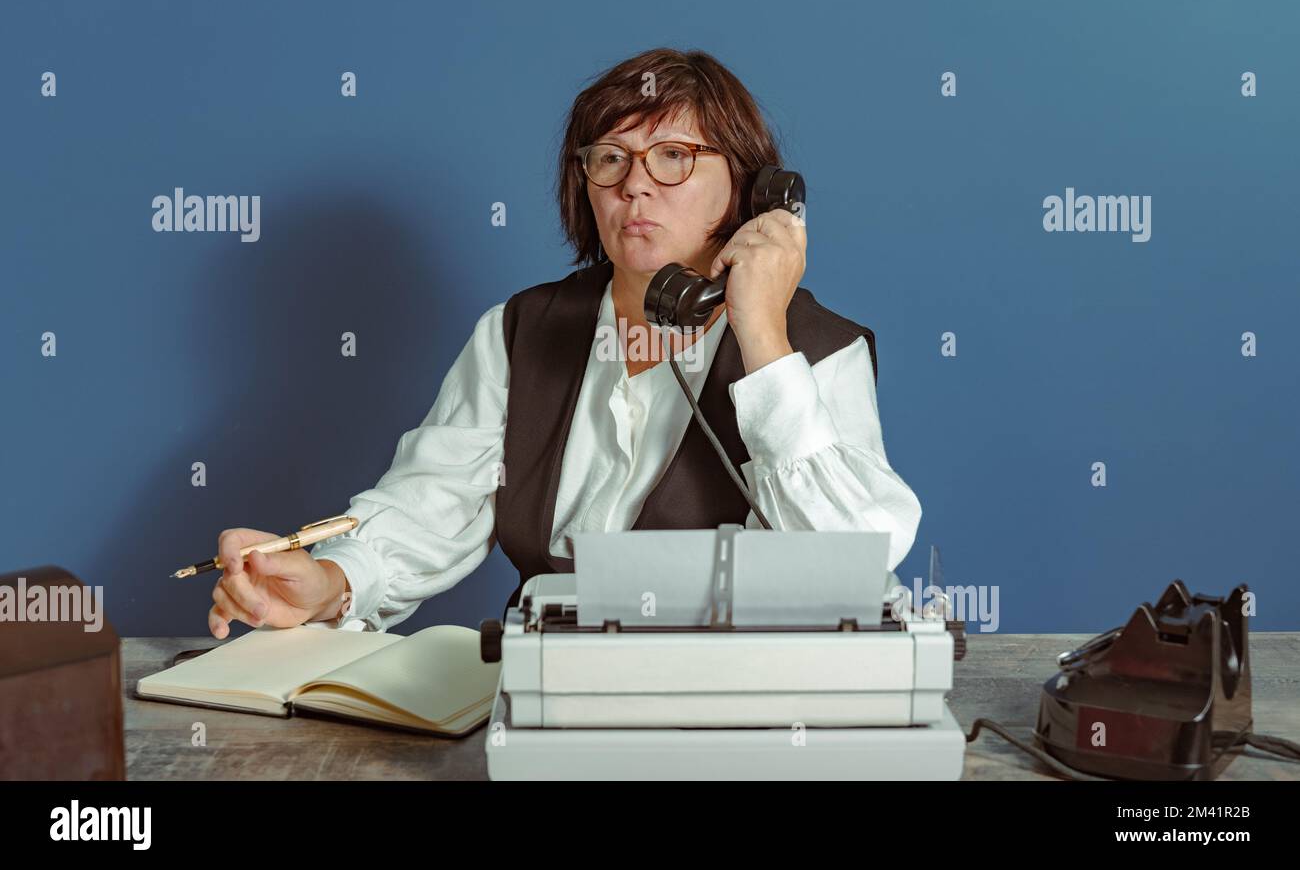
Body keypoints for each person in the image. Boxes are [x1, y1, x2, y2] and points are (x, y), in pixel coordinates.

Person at [207, 47, 922, 639]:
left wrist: (762, 333)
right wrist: (330, 582)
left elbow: (856, 556)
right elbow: (431, 504)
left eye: (673, 156)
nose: (635, 187)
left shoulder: (819, 351)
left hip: (724, 706)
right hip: (542, 694)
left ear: (751, 190)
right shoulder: (520, 330)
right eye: (610, 159)